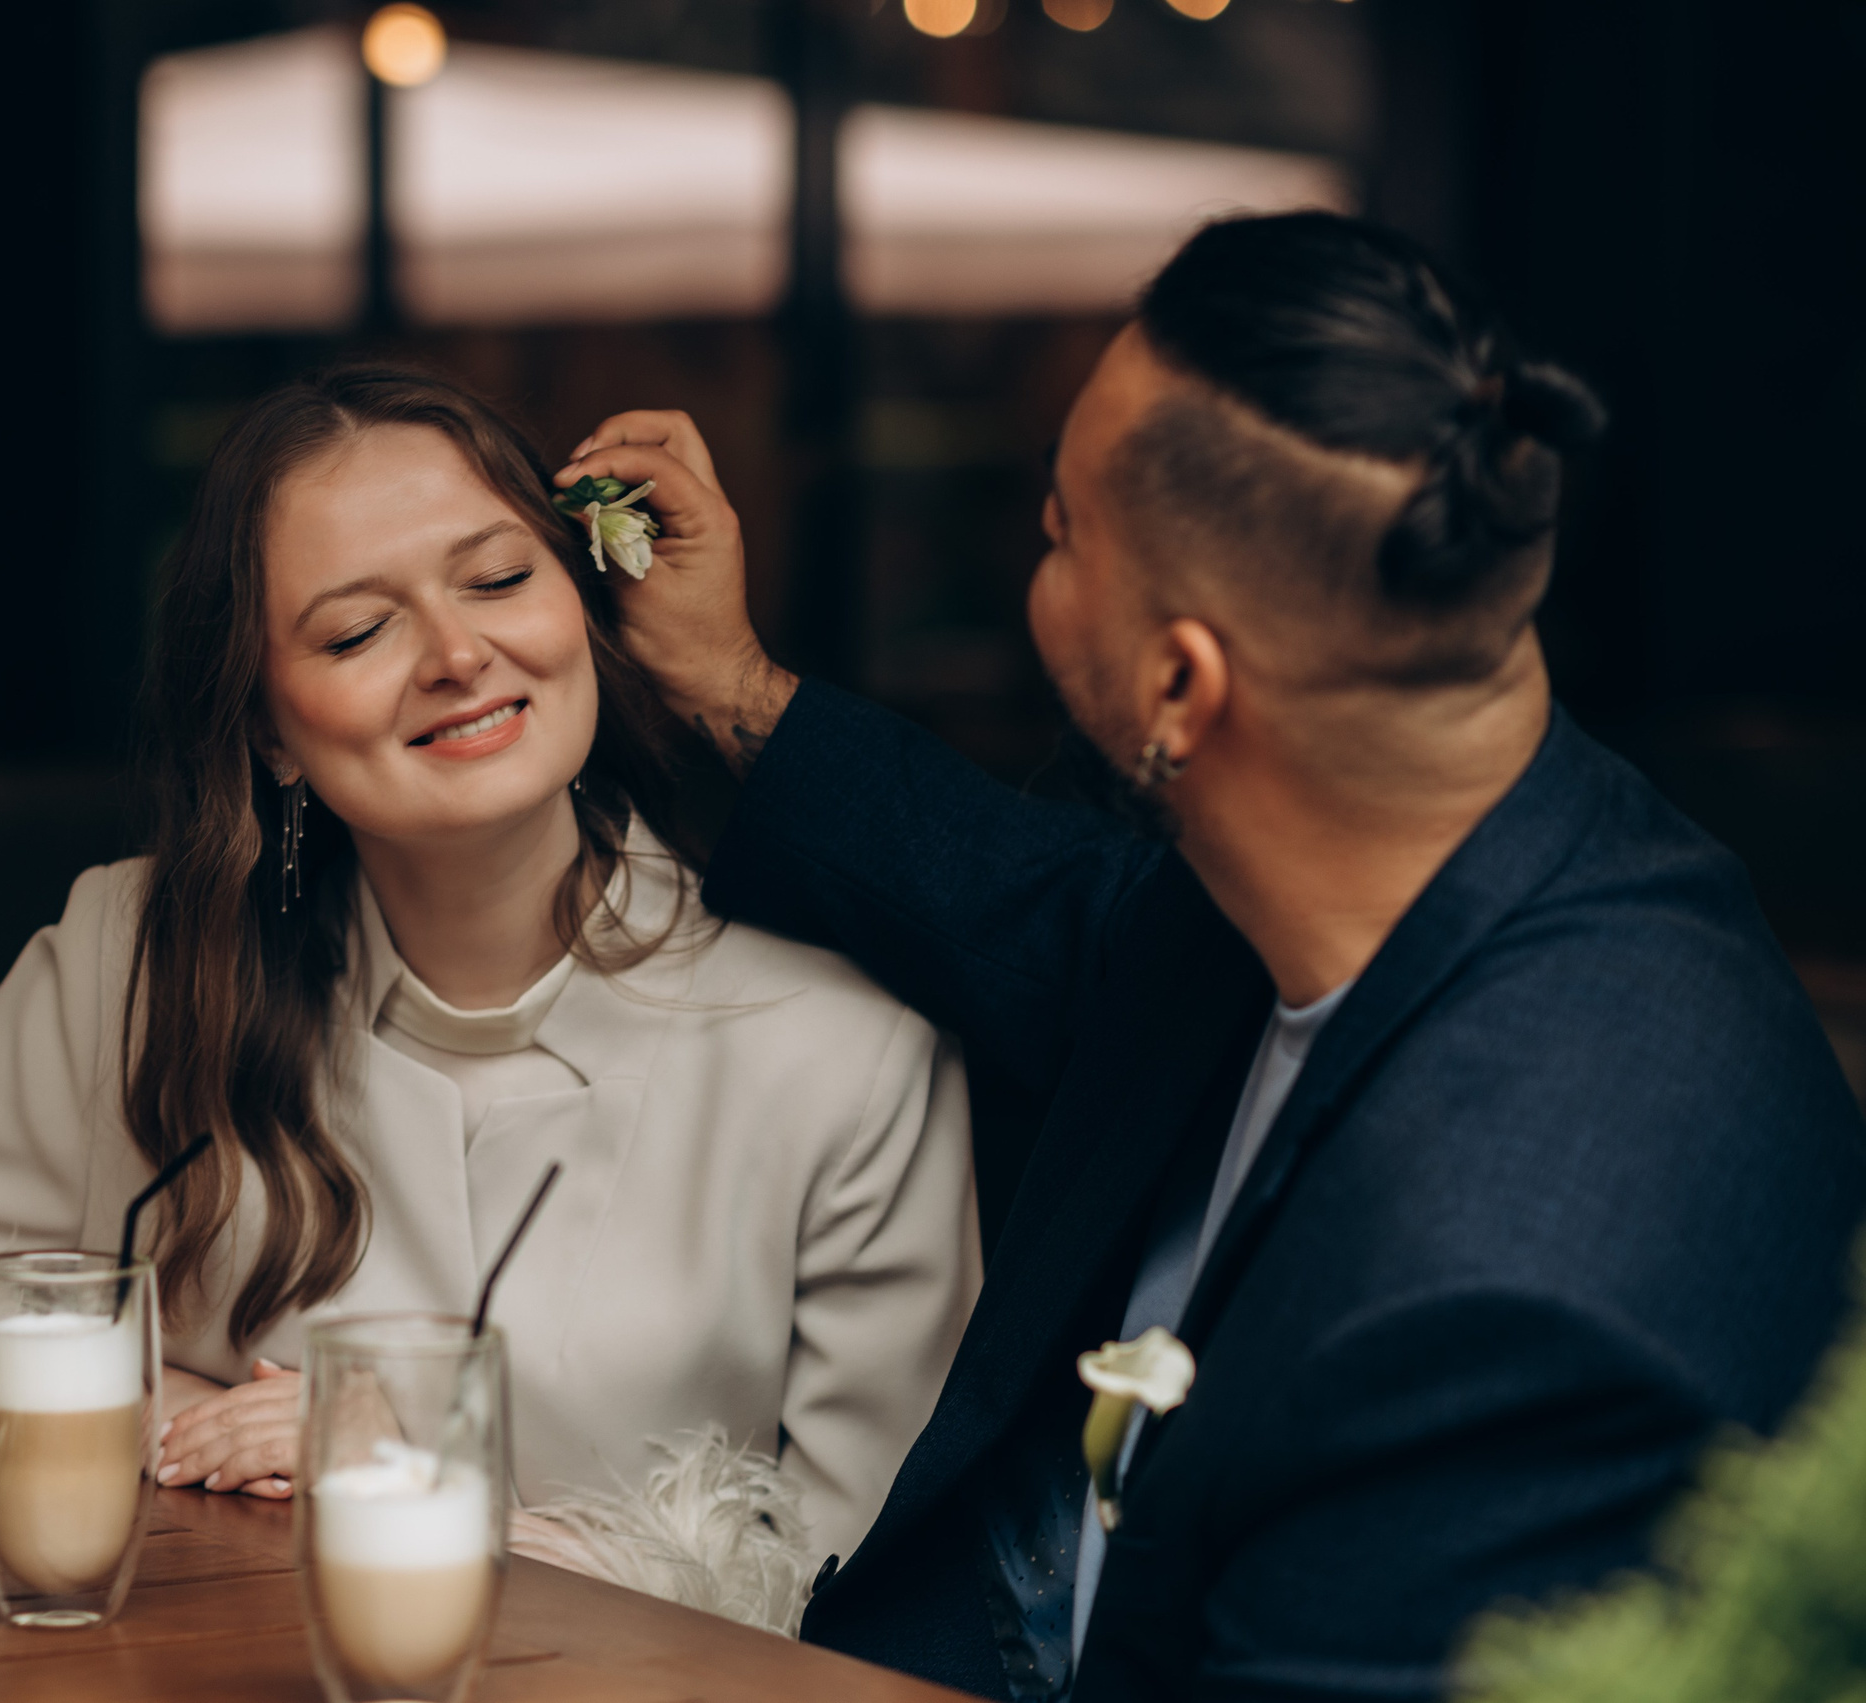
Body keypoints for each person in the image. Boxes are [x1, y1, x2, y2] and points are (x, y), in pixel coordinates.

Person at [552, 211, 1866, 1698]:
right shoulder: (1448, 846)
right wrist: (735, 686)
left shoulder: (1499, 1309)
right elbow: (1067, 913)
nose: (1034, 559)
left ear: (1182, 683)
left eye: (1058, 532)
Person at [0, 367, 977, 1605]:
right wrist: (133, 1399)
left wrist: (414, 1481)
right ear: (273, 732)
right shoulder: (140, 964)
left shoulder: (841, 1050)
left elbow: (873, 1606)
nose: (460, 653)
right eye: (358, 633)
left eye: (498, 579)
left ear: (583, 601)